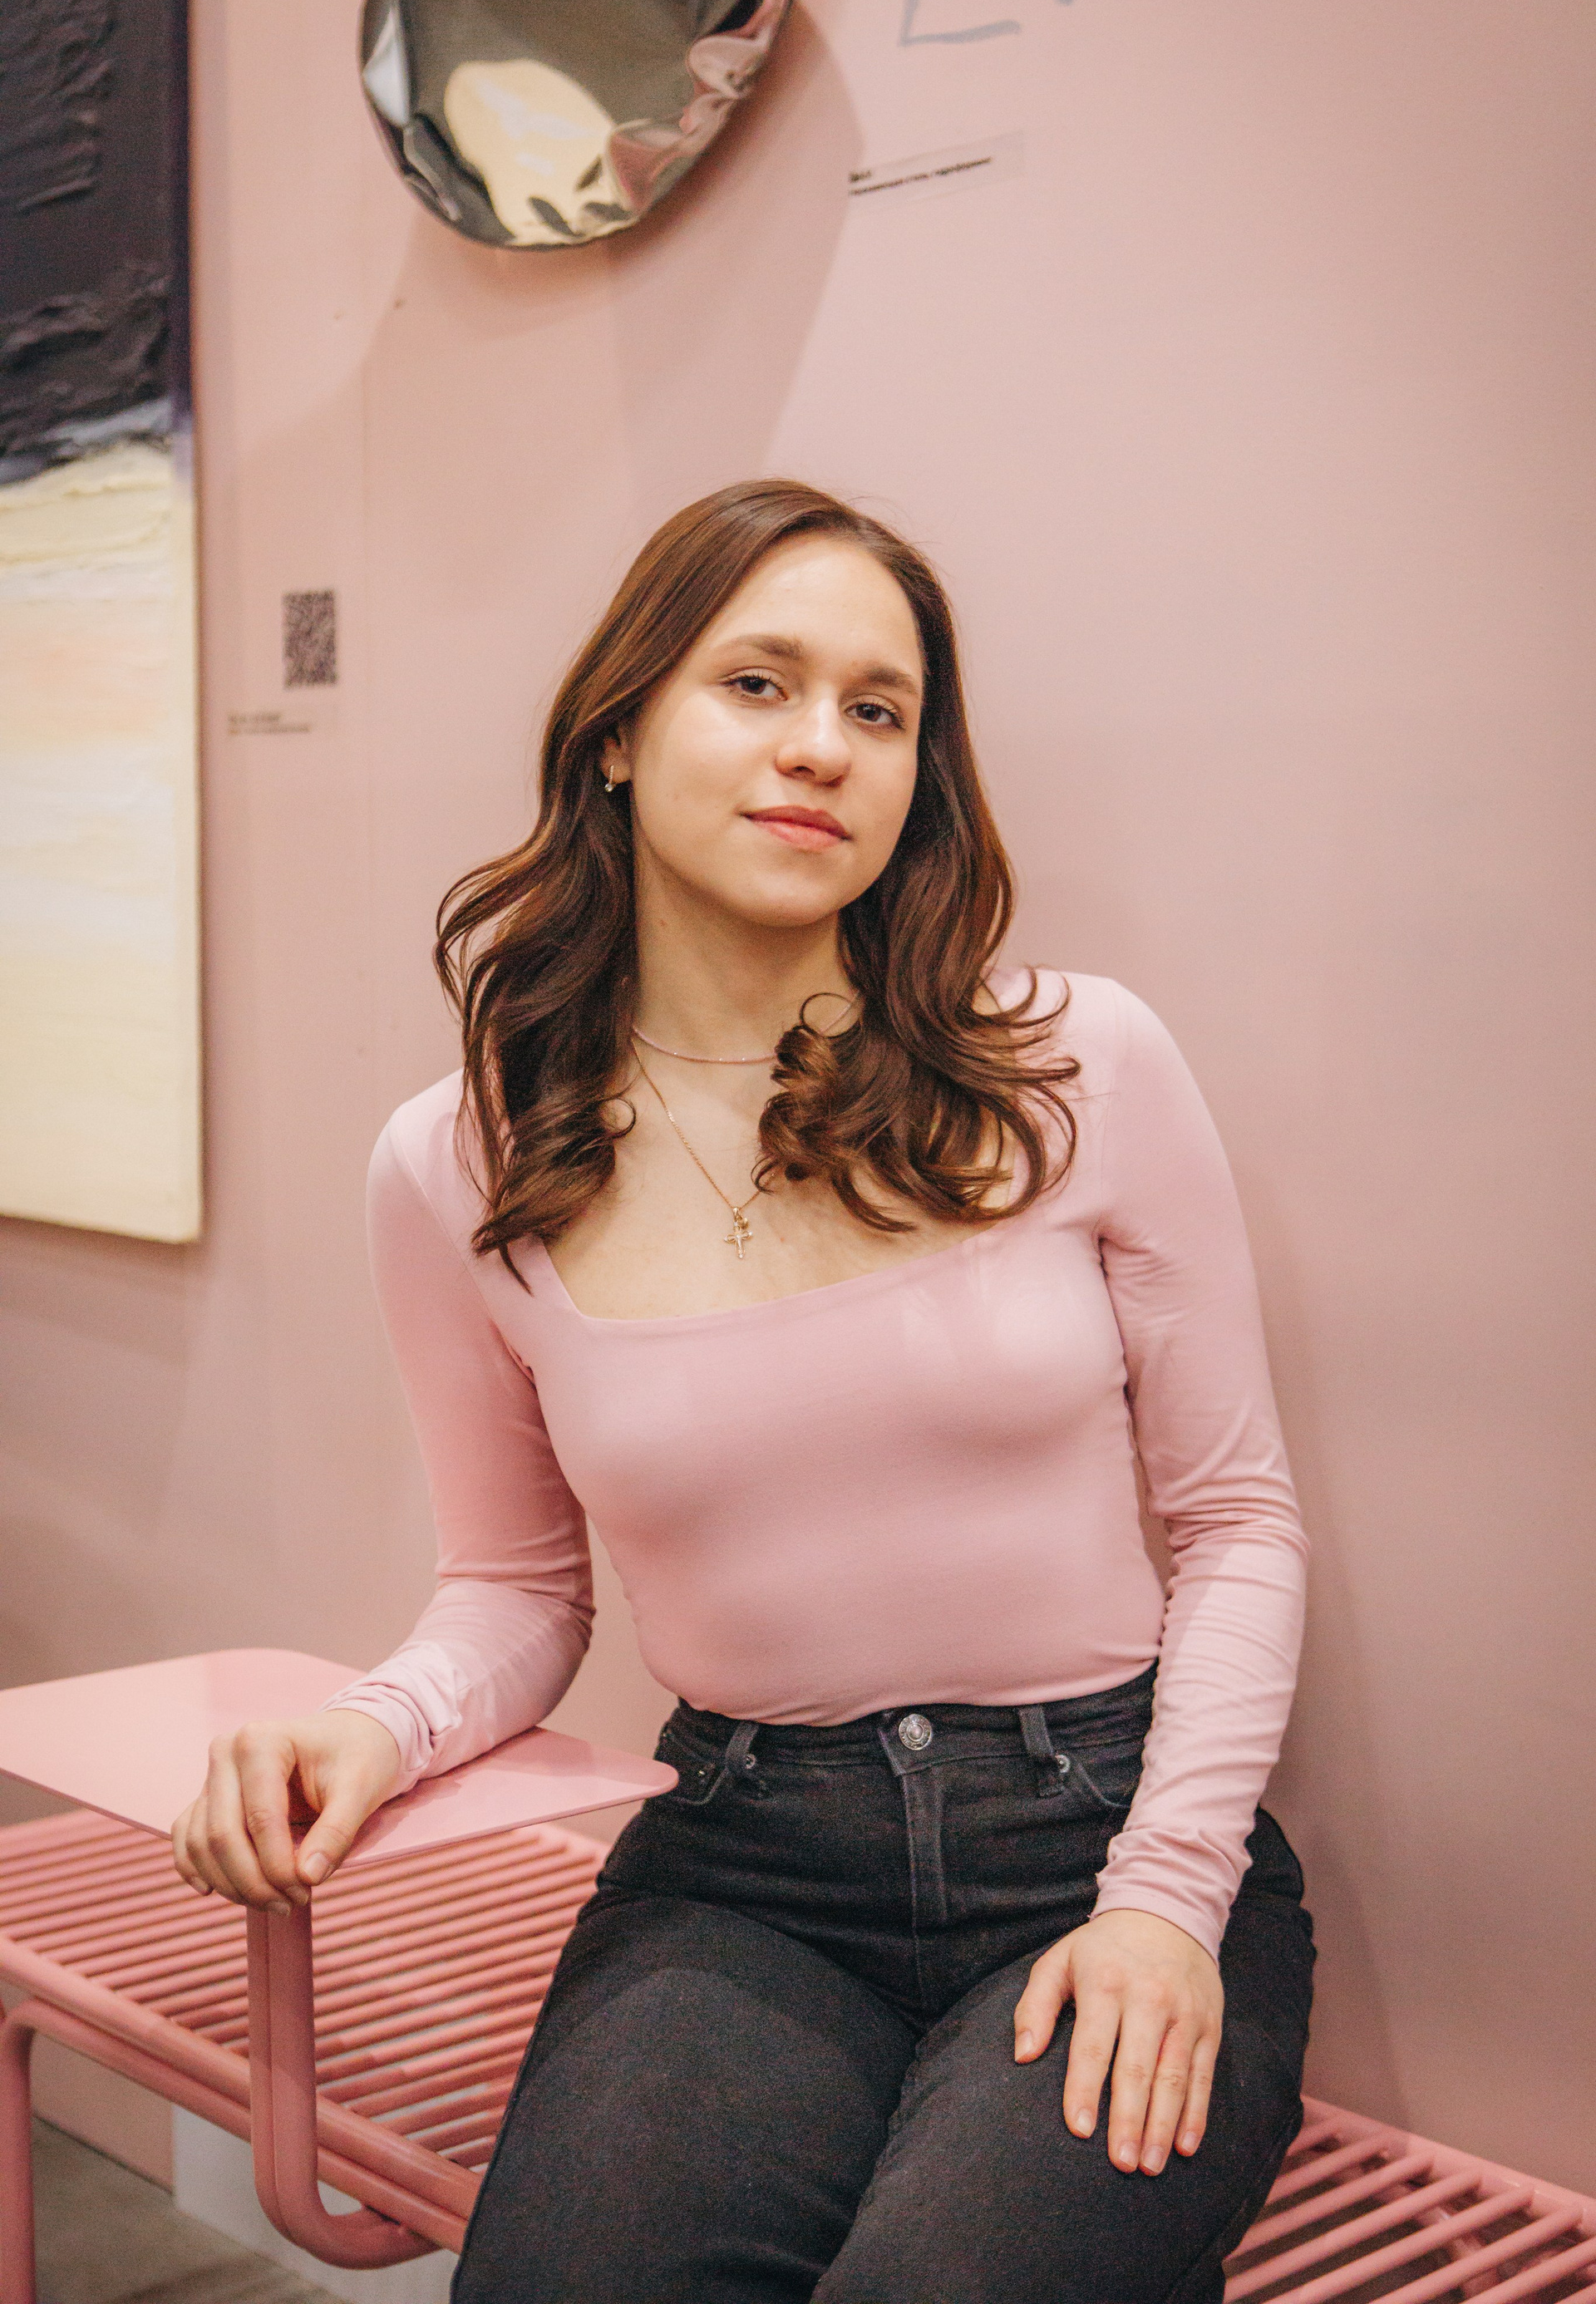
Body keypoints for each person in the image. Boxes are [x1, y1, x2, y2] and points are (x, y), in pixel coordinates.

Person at [170, 478, 1314, 2304]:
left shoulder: (1078, 1065)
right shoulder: (459, 1163)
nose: (823, 748)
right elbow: (519, 1589)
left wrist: (1170, 1902)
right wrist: (372, 1729)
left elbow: (1239, 1523)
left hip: (1107, 1835)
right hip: (751, 1867)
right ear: (619, 731)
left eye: (880, 709)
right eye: (758, 683)